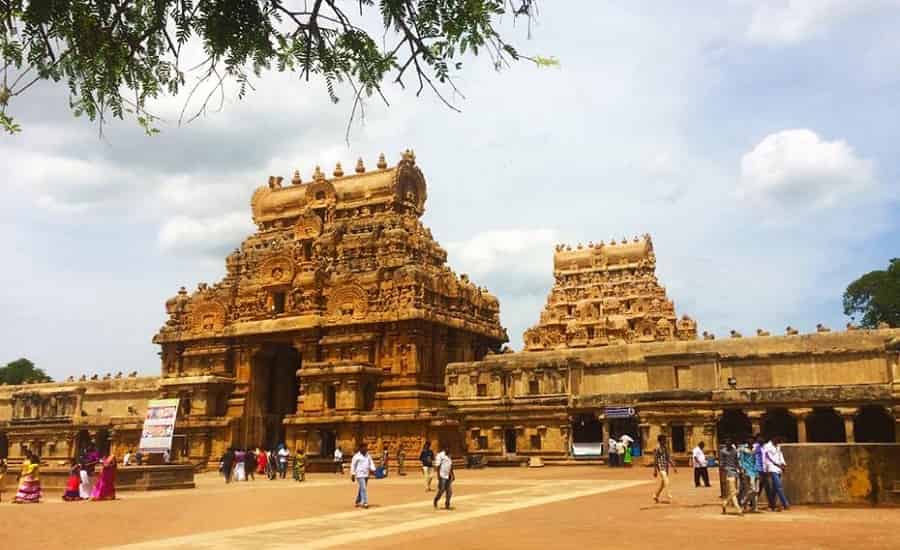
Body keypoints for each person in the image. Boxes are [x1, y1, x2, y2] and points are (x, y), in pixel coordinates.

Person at [763, 436, 789, 511]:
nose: (779, 442)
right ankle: (785, 503)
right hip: (772, 468)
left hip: (779, 468)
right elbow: (765, 458)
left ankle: (771, 504)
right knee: (779, 486)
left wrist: (783, 464)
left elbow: (780, 455)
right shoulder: (767, 446)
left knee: (774, 488)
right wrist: (766, 468)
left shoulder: (778, 446)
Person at [719, 438, 742, 516]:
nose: (727, 443)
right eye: (726, 442)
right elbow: (721, 464)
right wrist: (724, 472)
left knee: (737, 490)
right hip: (728, 472)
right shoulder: (723, 451)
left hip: (735, 472)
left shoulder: (734, 451)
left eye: (729, 442)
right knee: (733, 491)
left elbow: (736, 462)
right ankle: (738, 509)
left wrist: (740, 469)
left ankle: (725, 503)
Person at [652, 434, 677, 503]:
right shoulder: (657, 449)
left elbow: (668, 458)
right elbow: (655, 459)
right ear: (660, 441)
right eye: (664, 440)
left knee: (663, 484)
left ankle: (656, 495)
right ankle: (669, 495)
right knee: (666, 480)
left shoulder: (665, 448)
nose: (665, 441)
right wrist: (655, 470)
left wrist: (673, 467)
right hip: (660, 468)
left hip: (666, 467)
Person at [351, 442, 376, 509]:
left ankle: (357, 501)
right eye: (364, 447)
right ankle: (365, 502)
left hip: (366, 474)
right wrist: (353, 474)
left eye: (366, 447)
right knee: (364, 488)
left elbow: (371, 463)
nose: (366, 449)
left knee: (361, 488)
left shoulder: (368, 456)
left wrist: (373, 469)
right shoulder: (356, 456)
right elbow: (353, 465)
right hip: (359, 474)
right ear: (360, 448)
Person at [738, 437, 759, 512]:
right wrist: (742, 469)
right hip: (748, 470)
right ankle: (743, 502)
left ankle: (754, 507)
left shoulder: (755, 448)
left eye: (752, 440)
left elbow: (757, 459)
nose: (751, 441)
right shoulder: (742, 448)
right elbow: (741, 460)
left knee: (756, 490)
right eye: (750, 439)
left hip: (755, 470)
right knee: (752, 489)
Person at [433, 444, 454, 510]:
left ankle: (447, 504)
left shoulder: (449, 456)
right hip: (442, 475)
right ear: (444, 449)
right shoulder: (440, 456)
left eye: (449, 449)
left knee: (449, 491)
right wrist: (438, 476)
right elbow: (438, 466)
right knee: (441, 490)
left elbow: (450, 466)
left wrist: (452, 474)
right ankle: (436, 500)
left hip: (448, 475)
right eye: (447, 448)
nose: (448, 450)